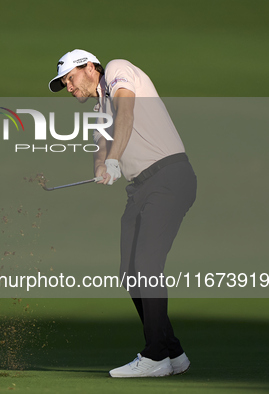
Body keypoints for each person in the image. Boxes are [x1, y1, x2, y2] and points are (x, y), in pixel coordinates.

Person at [48, 49, 197, 378]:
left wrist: (115, 159)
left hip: (169, 177)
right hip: (141, 188)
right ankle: (173, 353)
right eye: (64, 84)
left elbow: (127, 114)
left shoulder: (118, 71)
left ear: (90, 68)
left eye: (70, 79)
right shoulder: (99, 109)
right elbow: (100, 144)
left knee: (146, 265)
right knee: (129, 270)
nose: (69, 88)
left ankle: (155, 355)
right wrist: (103, 164)